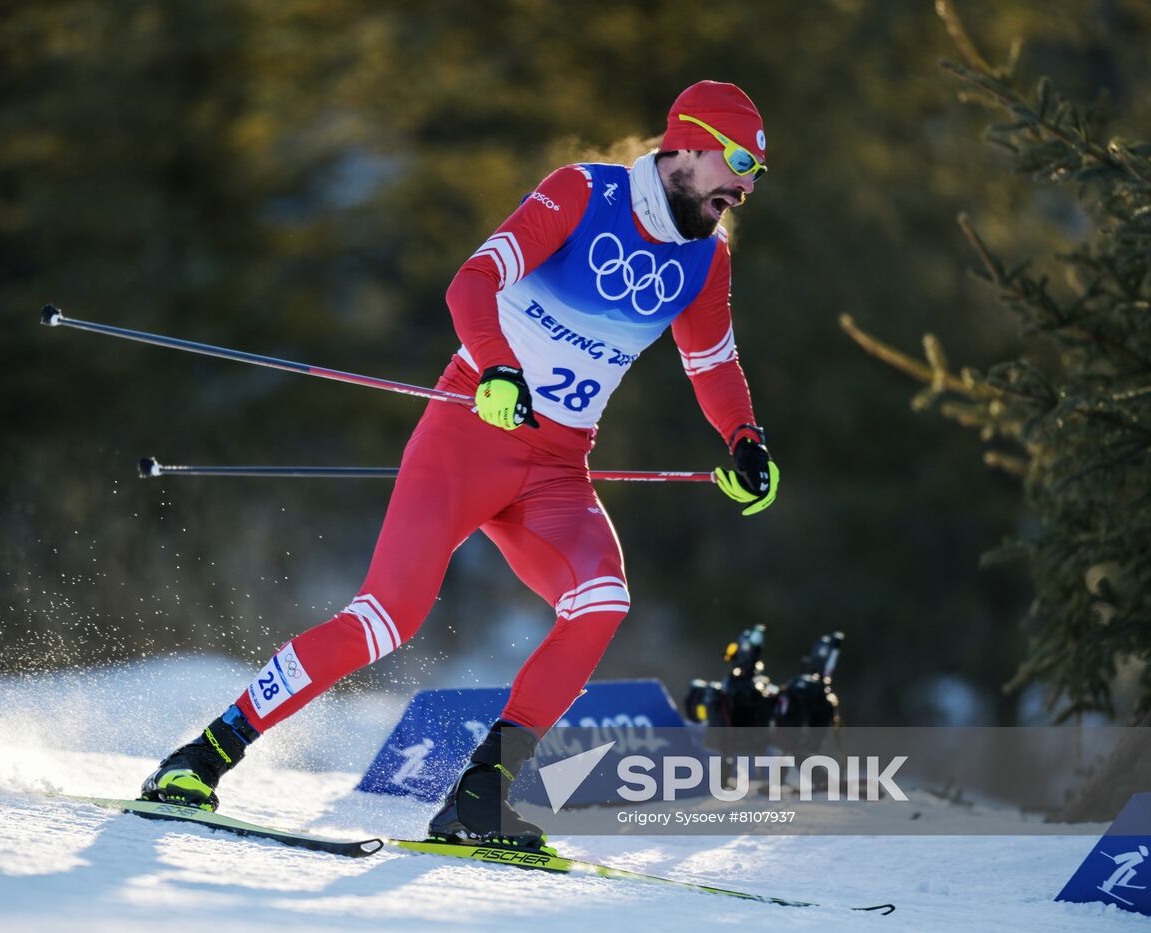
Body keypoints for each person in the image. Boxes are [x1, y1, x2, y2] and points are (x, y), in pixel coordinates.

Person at [140, 80, 778, 850]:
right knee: (385, 619)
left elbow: (713, 367)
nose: (742, 186)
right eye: (738, 162)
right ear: (690, 141)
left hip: (558, 468)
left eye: (755, 173)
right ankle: (201, 754)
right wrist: (498, 370)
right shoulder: (582, 191)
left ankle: (483, 794)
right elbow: (471, 282)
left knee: (601, 598)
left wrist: (744, 439)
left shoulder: (706, 262)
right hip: (469, 433)